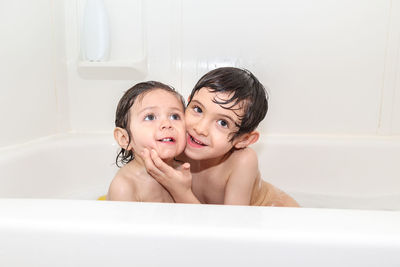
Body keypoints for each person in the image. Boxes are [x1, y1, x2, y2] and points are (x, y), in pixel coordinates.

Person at [142, 67, 299, 207]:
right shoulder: (175, 143)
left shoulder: (242, 160)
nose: (200, 128)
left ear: (243, 140)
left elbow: (232, 229)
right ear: (188, 103)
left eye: (223, 123)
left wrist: (179, 190)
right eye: (197, 109)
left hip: (275, 214)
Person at [106, 81, 187, 202]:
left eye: (175, 116)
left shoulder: (185, 172)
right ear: (125, 139)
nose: (167, 124)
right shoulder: (125, 186)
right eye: (150, 117)